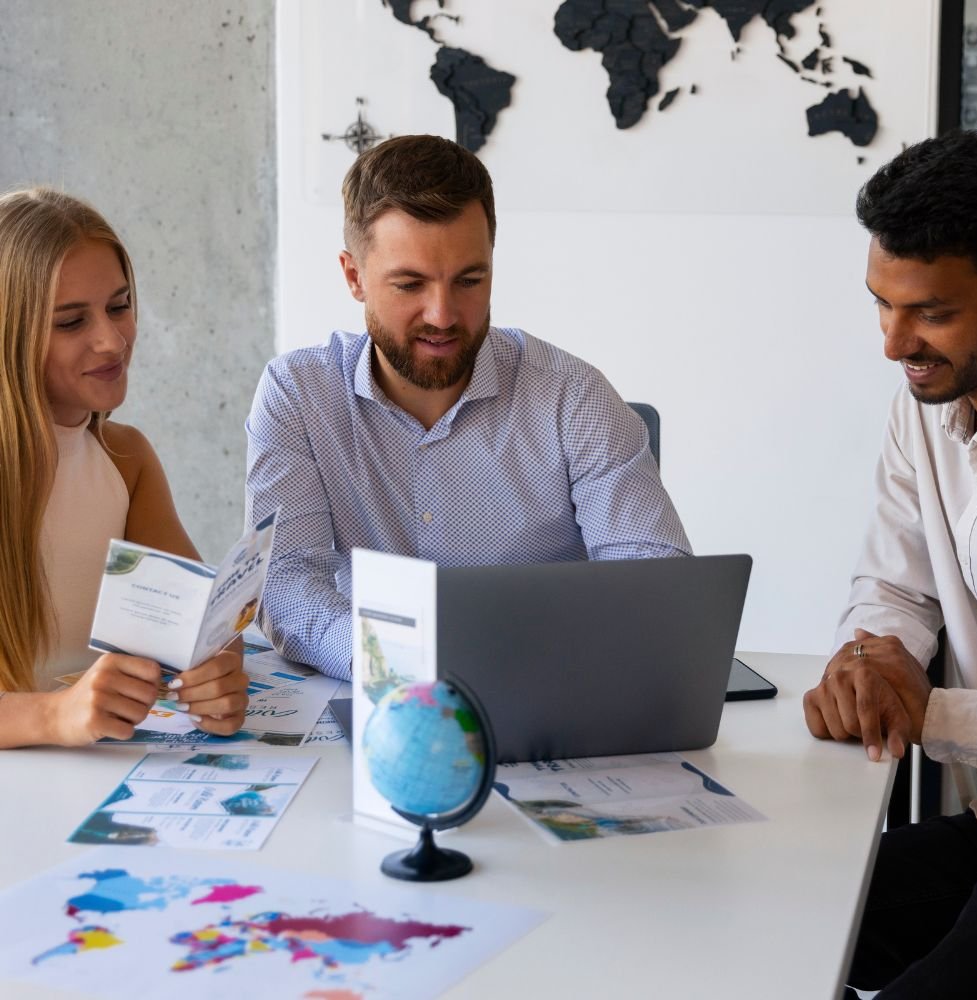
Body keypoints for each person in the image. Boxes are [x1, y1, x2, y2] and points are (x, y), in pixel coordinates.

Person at [245, 134, 690, 677]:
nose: (442, 315)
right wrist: (399, 662)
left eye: (469, 280)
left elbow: (652, 581)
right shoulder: (298, 395)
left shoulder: (574, 396)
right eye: (410, 284)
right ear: (354, 276)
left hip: (548, 687)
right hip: (379, 687)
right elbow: (286, 580)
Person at [801, 130, 977, 997]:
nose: (893, 342)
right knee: (775, 917)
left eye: (932, 313)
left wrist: (934, 713)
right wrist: (865, 663)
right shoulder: (922, 408)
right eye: (882, 303)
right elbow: (894, 581)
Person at [0, 188, 249, 748]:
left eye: (119, 306)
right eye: (71, 322)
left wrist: (217, 672)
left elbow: (202, 628)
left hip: (102, 772)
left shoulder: (127, 459)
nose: (112, 341)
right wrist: (53, 716)